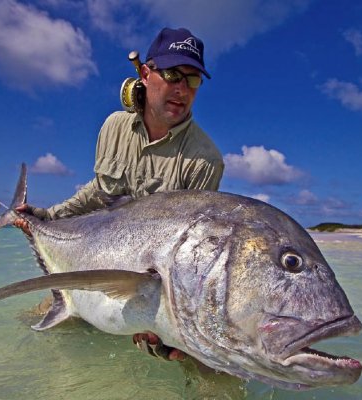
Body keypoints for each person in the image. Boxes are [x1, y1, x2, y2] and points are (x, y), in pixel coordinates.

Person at [14, 27, 224, 361]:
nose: (181, 89)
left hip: (148, 279)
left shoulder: (204, 159)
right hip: (98, 259)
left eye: (193, 79)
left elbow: (187, 252)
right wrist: (46, 218)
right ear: (145, 73)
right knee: (28, 325)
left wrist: (165, 319)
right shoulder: (113, 126)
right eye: (172, 74)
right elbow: (98, 193)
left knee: (201, 363)